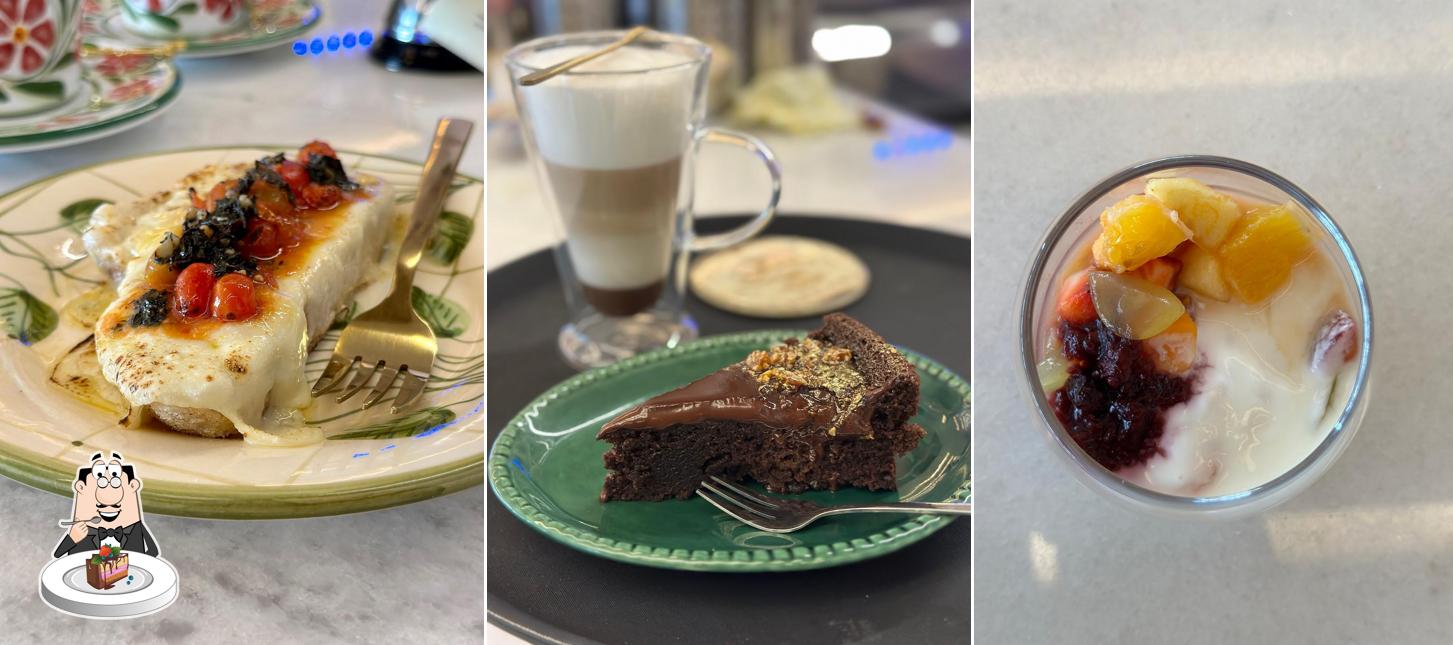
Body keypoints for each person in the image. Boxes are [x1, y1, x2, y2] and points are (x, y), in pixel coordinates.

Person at [53, 452, 160, 557]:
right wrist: (72, 538)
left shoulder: (135, 528)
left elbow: (153, 551)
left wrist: (142, 564)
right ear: (81, 487)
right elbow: (58, 555)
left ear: (133, 486)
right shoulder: (80, 531)